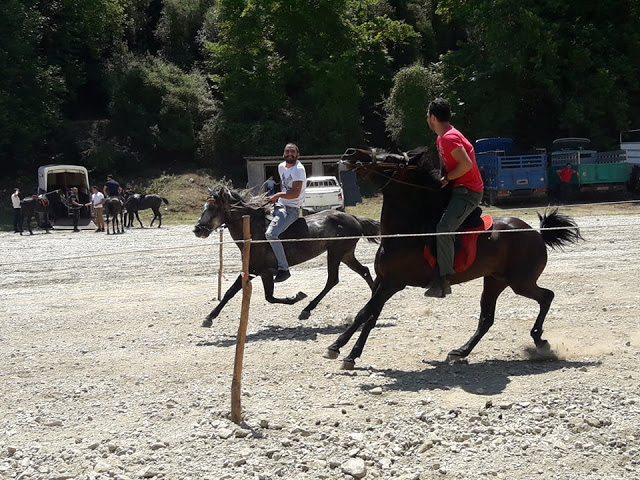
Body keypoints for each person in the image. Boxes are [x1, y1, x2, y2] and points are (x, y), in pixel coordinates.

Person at [424, 98, 484, 298]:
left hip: (468, 192)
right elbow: (448, 166)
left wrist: (447, 178)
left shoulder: (450, 137)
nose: (427, 119)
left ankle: (444, 279)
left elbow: (465, 165)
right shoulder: (441, 138)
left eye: (427, 116)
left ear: (433, 117)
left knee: (443, 229)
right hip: (456, 188)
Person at [266, 143, 307, 282]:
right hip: (280, 205)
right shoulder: (281, 166)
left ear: (298, 155)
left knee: (271, 234)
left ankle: (284, 268)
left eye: (293, 152)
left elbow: (295, 193)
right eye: (287, 151)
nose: (290, 154)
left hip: (292, 209)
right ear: (284, 154)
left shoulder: (299, 170)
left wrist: (277, 195)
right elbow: (285, 186)